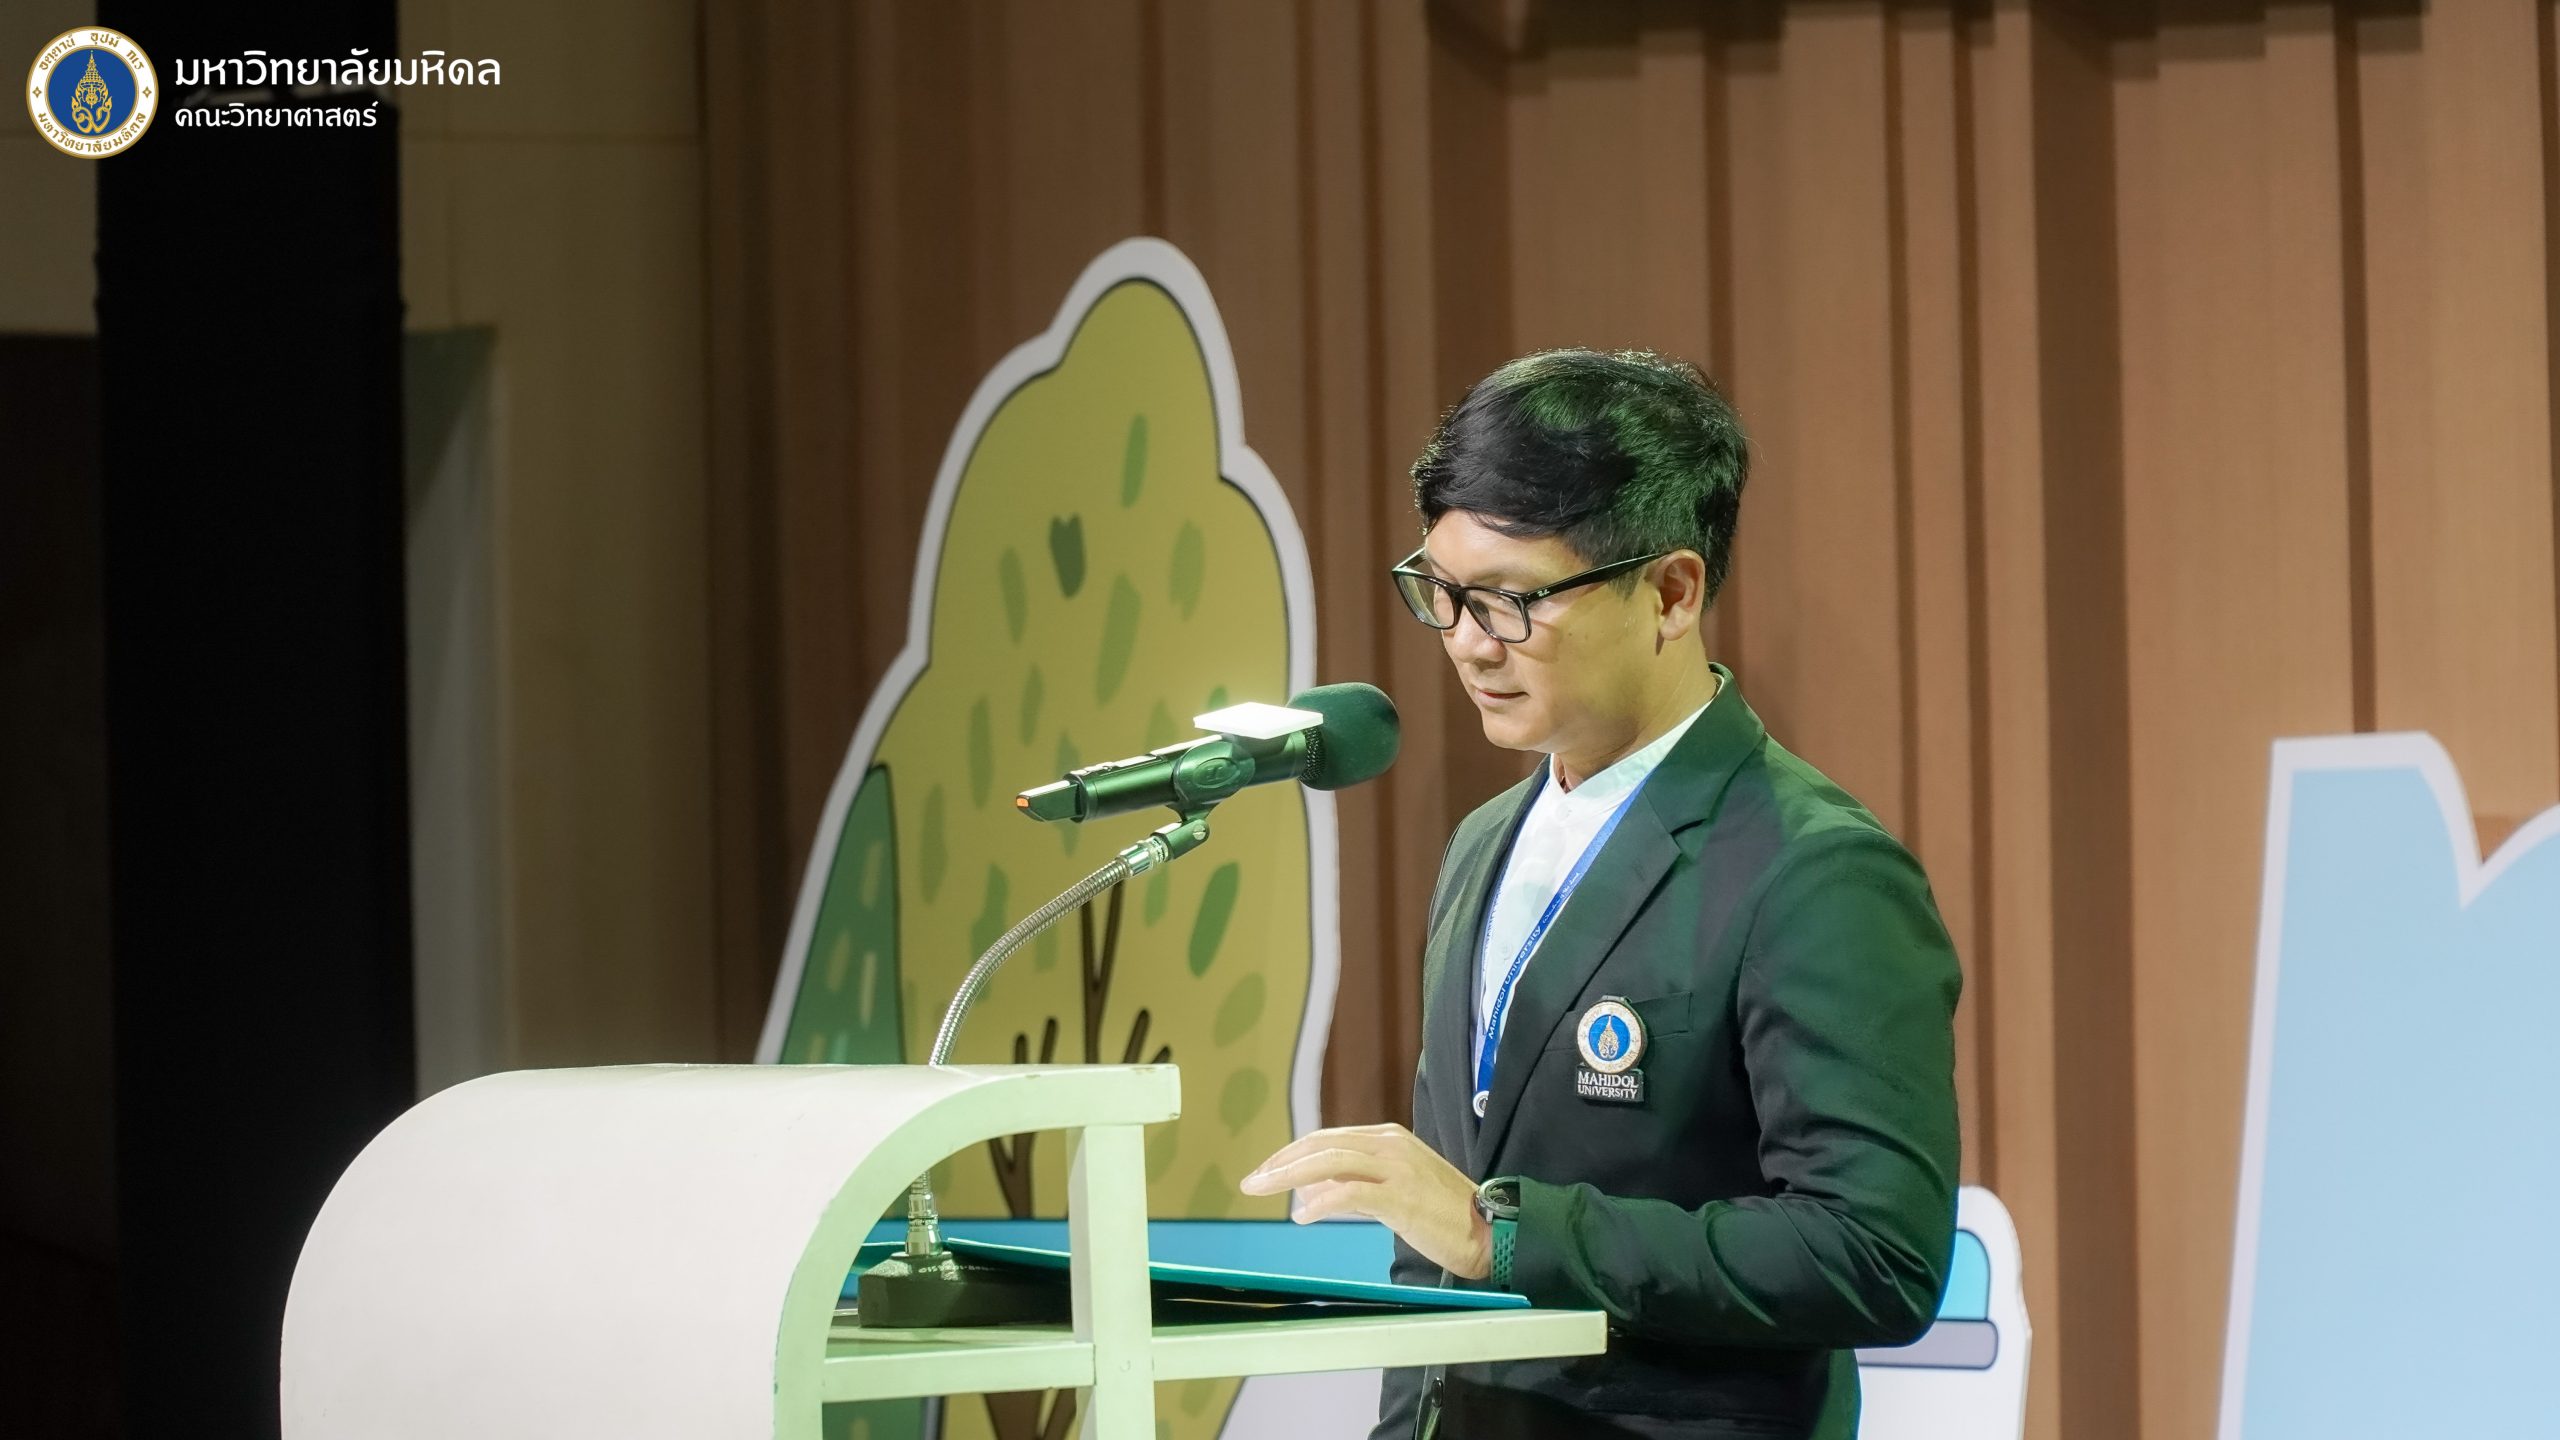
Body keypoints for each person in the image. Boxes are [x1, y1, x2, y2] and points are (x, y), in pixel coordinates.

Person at [1240, 349, 1962, 1440]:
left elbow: (1874, 1254)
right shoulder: (1483, 842)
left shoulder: (1813, 868)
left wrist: (1507, 1236)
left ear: (1670, 593)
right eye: (1443, 593)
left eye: (1510, 601)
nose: (1468, 644)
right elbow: (1433, 1252)